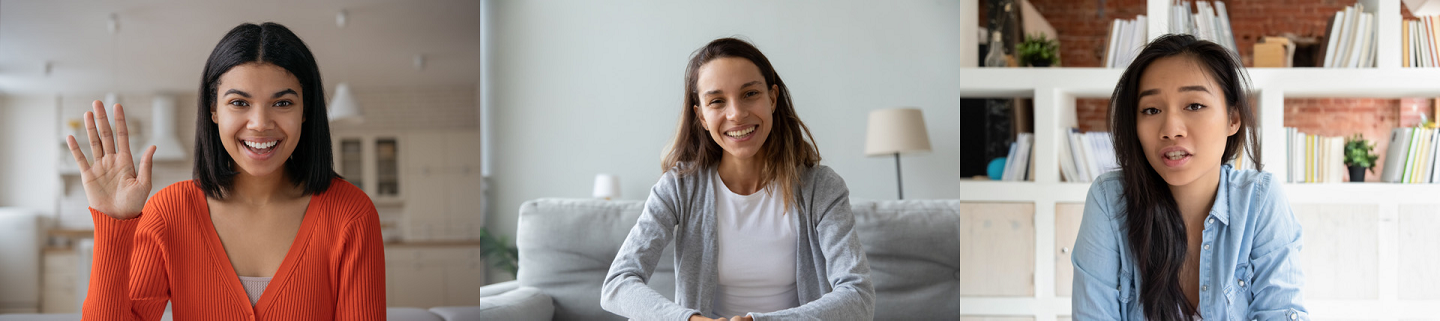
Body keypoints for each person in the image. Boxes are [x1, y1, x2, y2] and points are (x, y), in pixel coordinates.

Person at [71, 22, 385, 320]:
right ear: (213, 110)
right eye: (239, 103)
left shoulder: (351, 214)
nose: (260, 123)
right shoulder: (169, 213)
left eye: (283, 103)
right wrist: (113, 221)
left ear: (305, 111)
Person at [599, 38, 874, 321]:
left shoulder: (822, 188)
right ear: (702, 117)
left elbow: (859, 296)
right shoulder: (679, 187)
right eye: (717, 101)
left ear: (772, 98)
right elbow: (618, 283)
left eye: (750, 93)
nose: (737, 114)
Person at [1071, 34, 1307, 320]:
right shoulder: (1110, 202)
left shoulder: (1259, 200)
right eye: (1151, 110)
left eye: (1194, 105)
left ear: (1233, 118)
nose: (1171, 128)